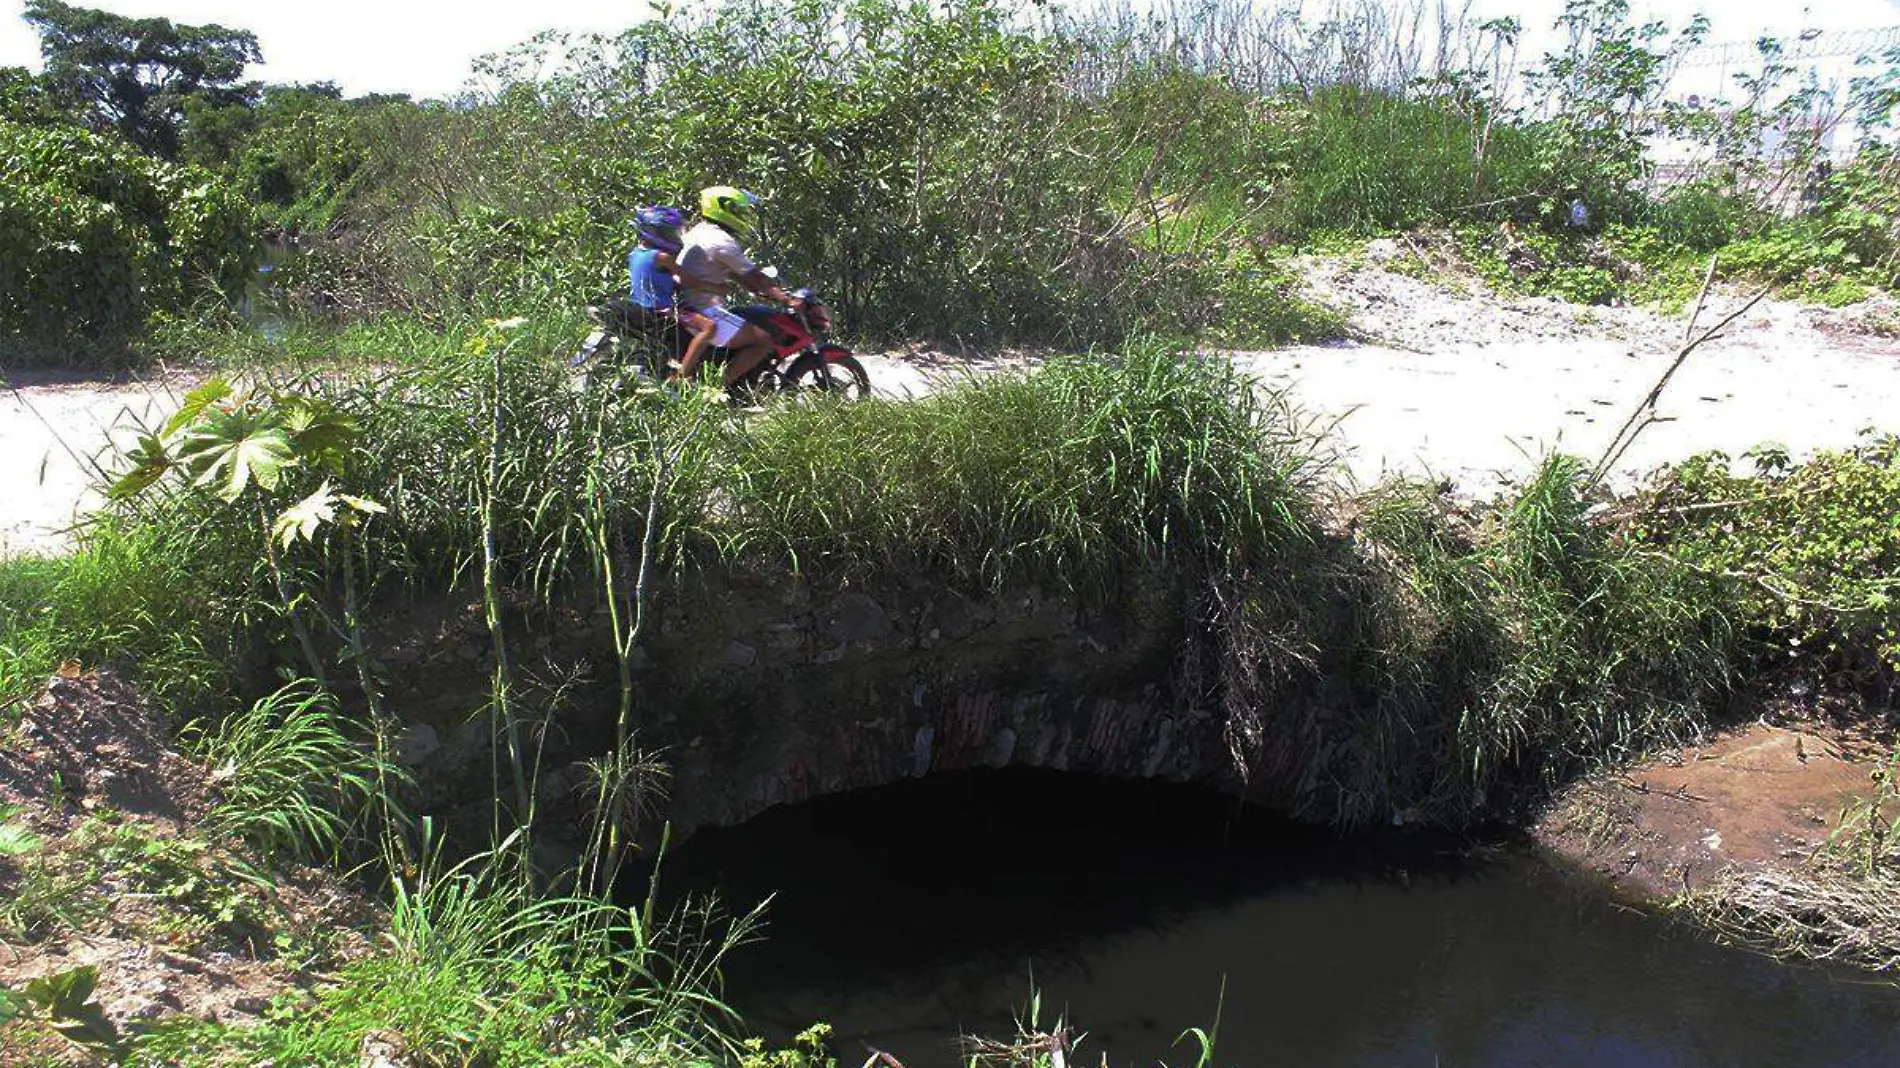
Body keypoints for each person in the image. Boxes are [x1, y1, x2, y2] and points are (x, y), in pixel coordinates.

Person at [671, 185, 805, 388]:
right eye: (739, 211)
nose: (743, 216)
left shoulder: (697, 232)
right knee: (763, 340)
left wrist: (750, 287)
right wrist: (787, 299)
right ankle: (717, 389)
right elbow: (756, 277)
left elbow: (732, 272)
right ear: (725, 210)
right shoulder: (721, 240)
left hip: (684, 306)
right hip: (703, 310)